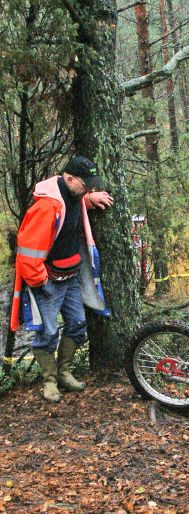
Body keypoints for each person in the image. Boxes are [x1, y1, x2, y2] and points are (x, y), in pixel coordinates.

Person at [10, 156, 113, 402]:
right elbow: (28, 252)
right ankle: (49, 381)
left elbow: (72, 206)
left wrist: (89, 200)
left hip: (72, 276)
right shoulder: (46, 207)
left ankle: (64, 373)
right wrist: (41, 282)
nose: (89, 188)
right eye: (86, 185)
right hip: (48, 281)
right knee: (48, 332)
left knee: (77, 324)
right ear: (70, 178)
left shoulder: (74, 195)